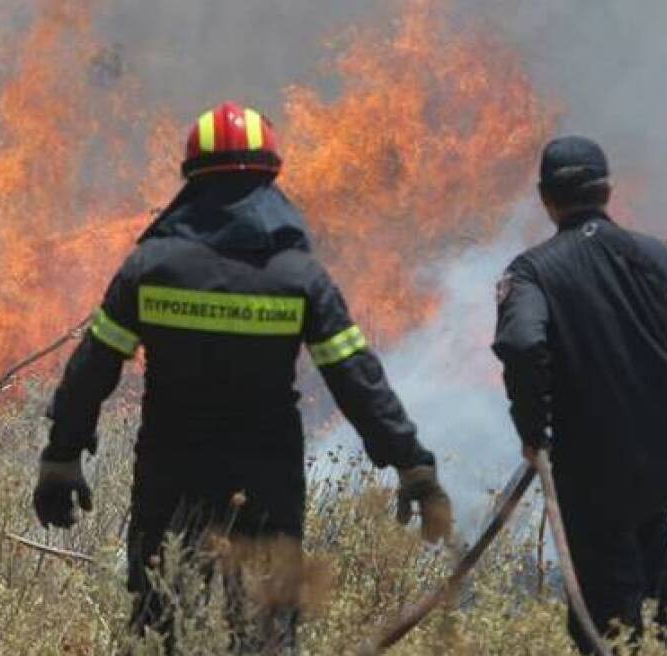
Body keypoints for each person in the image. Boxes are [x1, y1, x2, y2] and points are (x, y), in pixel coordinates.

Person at [33, 101, 452, 652]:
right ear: (270, 180)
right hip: (266, 485)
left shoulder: (152, 267)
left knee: (160, 627)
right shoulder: (298, 276)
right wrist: (411, 464)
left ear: (191, 181)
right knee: (264, 635)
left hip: (171, 477)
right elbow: (357, 380)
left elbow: (92, 369)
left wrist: (62, 456)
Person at [492, 136, 667, 653]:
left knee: (606, 612)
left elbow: (520, 341)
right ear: (606, 190)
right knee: (646, 526)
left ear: (545, 198)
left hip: (594, 462)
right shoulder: (652, 256)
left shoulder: (532, 271)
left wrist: (533, 430)